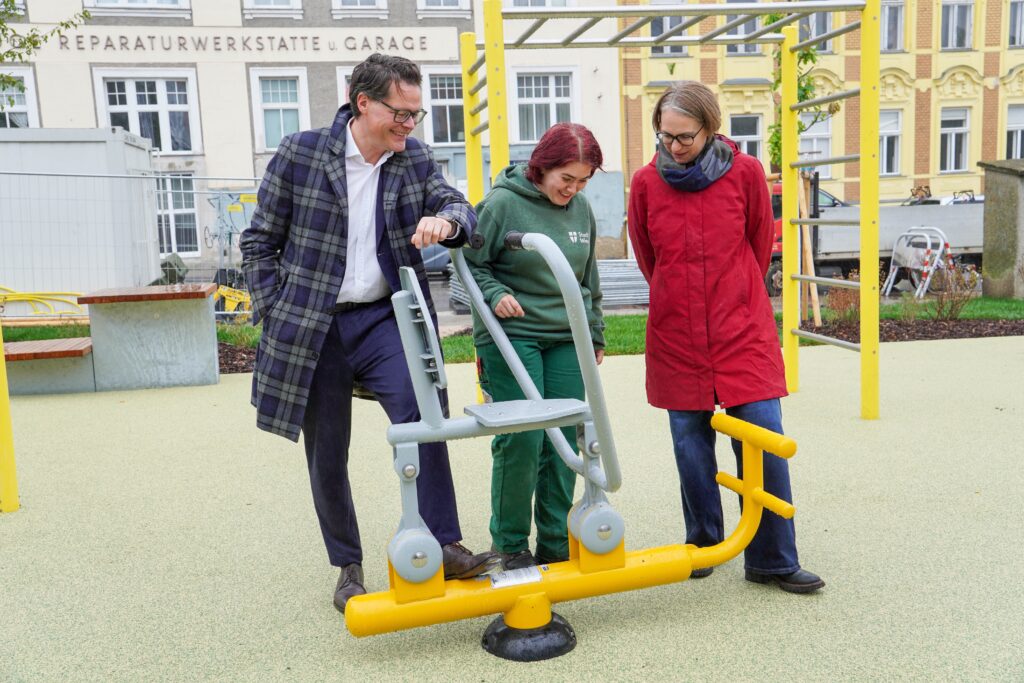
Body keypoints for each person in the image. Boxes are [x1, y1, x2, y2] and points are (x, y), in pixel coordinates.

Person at [240, 53, 498, 614]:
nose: (410, 123)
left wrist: (446, 223)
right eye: (400, 112)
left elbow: (461, 206)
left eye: (416, 113)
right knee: (327, 450)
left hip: (385, 316)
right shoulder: (302, 153)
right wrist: (276, 311)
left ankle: (445, 543)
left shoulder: (415, 160)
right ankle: (347, 566)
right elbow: (258, 242)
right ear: (363, 103)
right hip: (314, 323)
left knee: (424, 416)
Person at [627, 81, 824, 594]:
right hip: (677, 333)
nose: (673, 147)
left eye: (684, 137)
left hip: (742, 331)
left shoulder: (746, 173)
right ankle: (704, 543)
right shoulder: (647, 183)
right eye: (664, 136)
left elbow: (759, 246)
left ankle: (773, 559)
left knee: (761, 438)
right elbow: (650, 258)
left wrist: (732, 297)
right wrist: (681, 297)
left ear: (711, 129)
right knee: (690, 446)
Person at [464, 123, 606, 570]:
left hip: (567, 336)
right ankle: (509, 545)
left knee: (564, 439)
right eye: (567, 178)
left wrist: (595, 331)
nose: (574, 189)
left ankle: (554, 542)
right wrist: (493, 293)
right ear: (542, 167)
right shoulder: (501, 204)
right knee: (522, 440)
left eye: (583, 181)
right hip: (513, 334)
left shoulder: (580, 209)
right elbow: (467, 266)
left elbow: (588, 278)